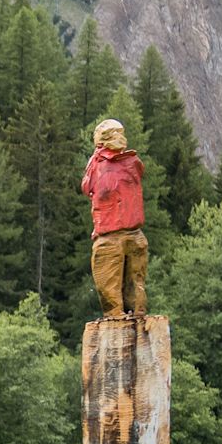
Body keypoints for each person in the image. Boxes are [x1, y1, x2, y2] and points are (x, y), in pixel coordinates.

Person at [81, 119, 147, 319]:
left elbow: (86, 186)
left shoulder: (98, 164)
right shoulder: (133, 162)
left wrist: (96, 156)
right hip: (134, 232)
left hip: (110, 234)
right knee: (135, 280)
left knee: (108, 281)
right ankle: (137, 311)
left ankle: (117, 315)